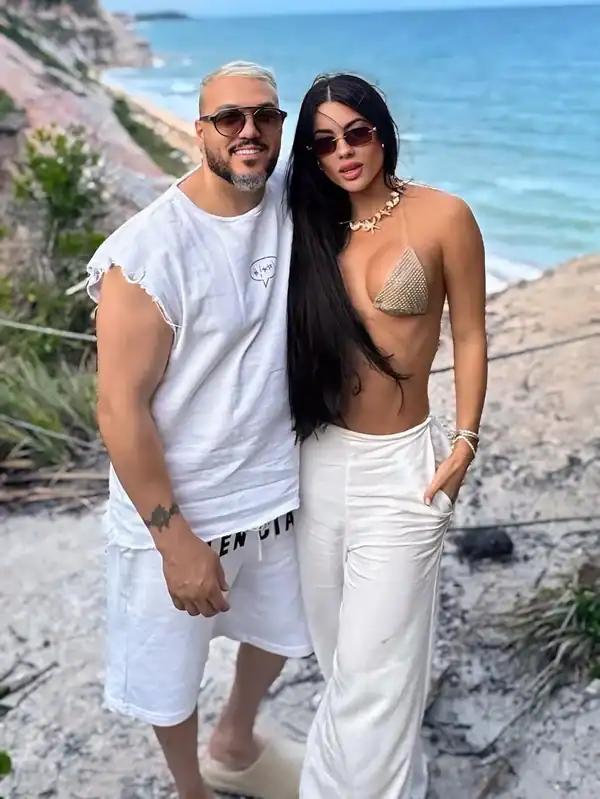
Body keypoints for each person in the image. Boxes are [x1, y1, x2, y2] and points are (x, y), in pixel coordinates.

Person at [86, 61, 312, 799]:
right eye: (229, 118)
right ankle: (192, 789)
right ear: (200, 130)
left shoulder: (290, 201)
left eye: (266, 116)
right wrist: (173, 538)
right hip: (185, 508)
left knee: (281, 632)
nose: (250, 131)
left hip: (274, 491)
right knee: (169, 677)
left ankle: (235, 739)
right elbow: (119, 407)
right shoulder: (148, 254)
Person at [285, 73, 488, 799]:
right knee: (344, 663)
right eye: (324, 143)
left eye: (357, 133)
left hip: (402, 467)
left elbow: (470, 332)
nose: (344, 152)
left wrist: (465, 441)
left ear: (382, 132)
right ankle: (405, 782)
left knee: (376, 673)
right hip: (316, 461)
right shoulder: (307, 228)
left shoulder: (443, 216)